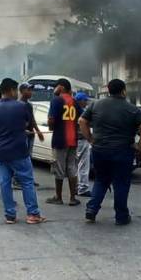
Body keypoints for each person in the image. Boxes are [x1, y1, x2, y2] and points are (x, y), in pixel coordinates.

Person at [78, 78, 141, 225]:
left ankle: (91, 210)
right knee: (121, 183)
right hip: (123, 152)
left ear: (108, 90)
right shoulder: (132, 108)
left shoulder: (96, 105)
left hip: (100, 150)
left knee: (101, 180)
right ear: (123, 91)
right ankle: (121, 216)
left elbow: (82, 121)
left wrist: (90, 139)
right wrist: (139, 146)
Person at [0, 78, 46, 224]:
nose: (16, 93)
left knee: (5, 183)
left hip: (1, 152)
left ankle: (10, 215)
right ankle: (33, 214)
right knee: (27, 181)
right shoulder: (21, 107)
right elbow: (27, 124)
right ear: (11, 90)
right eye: (15, 90)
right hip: (19, 151)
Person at [46, 77, 81, 206]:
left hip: (60, 139)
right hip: (73, 140)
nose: (54, 89)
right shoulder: (74, 101)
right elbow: (81, 118)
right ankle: (72, 198)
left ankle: (58, 197)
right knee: (72, 168)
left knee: (59, 168)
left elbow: (51, 120)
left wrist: (51, 125)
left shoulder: (56, 100)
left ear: (61, 87)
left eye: (56, 86)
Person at [74, 91, 92, 198]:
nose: (86, 102)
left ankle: (76, 187)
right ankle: (83, 188)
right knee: (84, 165)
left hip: (75, 140)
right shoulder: (81, 112)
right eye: (85, 100)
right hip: (82, 139)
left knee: (75, 165)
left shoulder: (73, 109)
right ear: (80, 101)